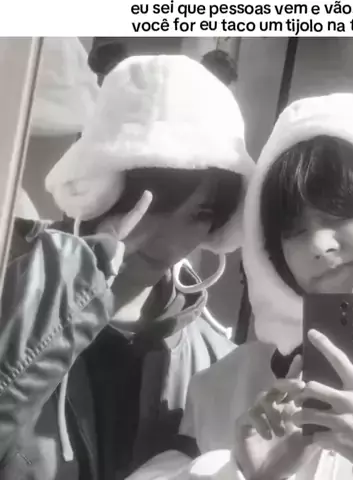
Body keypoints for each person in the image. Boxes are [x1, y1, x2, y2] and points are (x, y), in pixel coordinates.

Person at [128, 93, 353, 480]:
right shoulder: (226, 384)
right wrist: (240, 474)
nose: (318, 244)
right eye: (294, 230)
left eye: (341, 213)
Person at [0, 54, 254, 480]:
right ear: (102, 187)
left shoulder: (215, 363)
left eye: (200, 214)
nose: (172, 240)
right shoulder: (14, 295)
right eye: (154, 205)